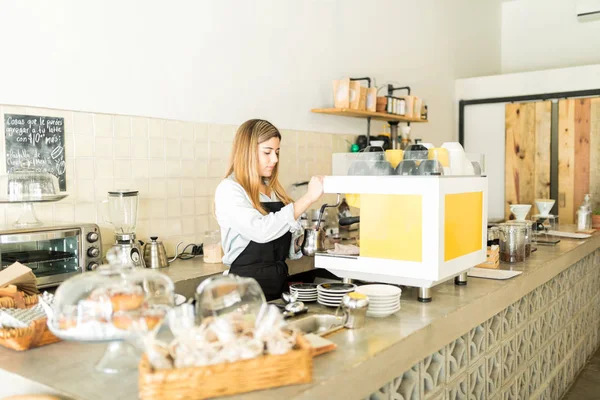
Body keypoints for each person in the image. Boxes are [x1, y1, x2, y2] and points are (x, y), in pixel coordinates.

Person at [214, 119, 324, 301]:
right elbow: (262, 231)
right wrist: (308, 198)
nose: (275, 159)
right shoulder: (230, 189)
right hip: (245, 292)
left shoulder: (272, 191)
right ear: (247, 152)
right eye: (267, 152)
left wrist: (298, 242)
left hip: (277, 285)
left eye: (277, 152)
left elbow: (278, 245)